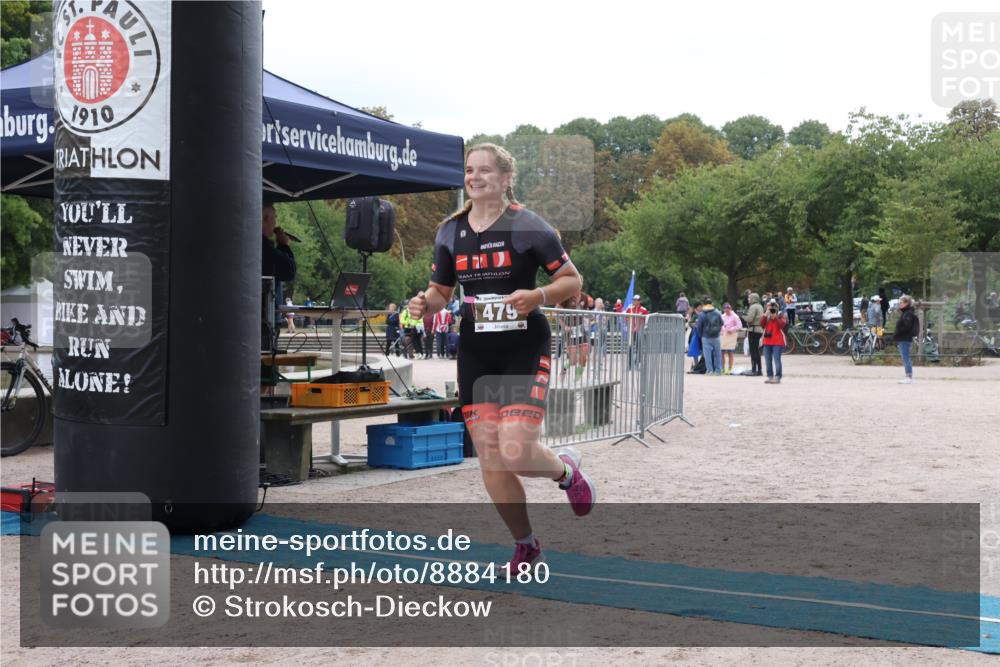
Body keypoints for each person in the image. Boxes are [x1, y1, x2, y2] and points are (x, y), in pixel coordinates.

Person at [406, 142, 592, 572]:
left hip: (523, 346)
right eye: (470, 171)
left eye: (485, 171)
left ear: (506, 178)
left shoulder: (528, 226)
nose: (474, 178)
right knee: (490, 453)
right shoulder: (449, 231)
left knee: (516, 449)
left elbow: (572, 279)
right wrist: (425, 303)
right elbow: (441, 292)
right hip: (477, 349)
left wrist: (539, 294)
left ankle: (565, 472)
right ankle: (525, 544)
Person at [262, 203, 296, 325]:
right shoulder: (264, 248)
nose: (276, 223)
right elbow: (289, 272)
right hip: (265, 318)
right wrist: (284, 246)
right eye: (274, 218)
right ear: (266, 219)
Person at [894, 295, 919, 384]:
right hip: (903, 338)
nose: (899, 304)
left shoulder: (908, 313)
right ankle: (908, 375)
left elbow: (906, 326)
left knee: (906, 357)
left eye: (901, 302)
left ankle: (909, 376)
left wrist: (899, 332)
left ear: (906, 303)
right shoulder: (906, 313)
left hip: (905, 338)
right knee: (905, 357)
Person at [761, 299, 787, 384]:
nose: (771, 309)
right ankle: (770, 376)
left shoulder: (780, 315)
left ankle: (778, 377)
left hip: (777, 341)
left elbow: (782, 325)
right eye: (770, 307)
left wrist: (775, 317)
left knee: (777, 360)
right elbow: (761, 324)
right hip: (767, 341)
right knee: (768, 360)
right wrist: (765, 315)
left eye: (773, 307)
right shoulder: (767, 315)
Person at [696, 297, 723, 375]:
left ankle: (709, 370)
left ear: (704, 304)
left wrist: (700, 335)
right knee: (717, 354)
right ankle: (718, 370)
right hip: (716, 336)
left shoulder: (702, 314)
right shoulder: (717, 312)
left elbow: (699, 326)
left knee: (707, 354)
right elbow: (722, 323)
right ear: (712, 304)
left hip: (705, 336)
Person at [625, 294, 649, 369]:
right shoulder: (630, 309)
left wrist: (642, 327)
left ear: (639, 301)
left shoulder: (643, 309)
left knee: (639, 347)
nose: (634, 301)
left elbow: (646, 320)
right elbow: (626, 318)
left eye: (636, 300)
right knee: (630, 347)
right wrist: (629, 326)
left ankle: (636, 363)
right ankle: (629, 364)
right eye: (634, 300)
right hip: (631, 331)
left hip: (639, 330)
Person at [744, 293, 764, 376]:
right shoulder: (760, 306)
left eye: (749, 298)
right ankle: (759, 370)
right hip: (759, 330)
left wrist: (743, 316)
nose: (748, 299)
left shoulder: (753, 307)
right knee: (757, 351)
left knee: (753, 351)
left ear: (753, 299)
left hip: (753, 330)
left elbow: (749, 319)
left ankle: (753, 370)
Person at [720, 303, 742, 375]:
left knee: (730, 352)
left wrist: (732, 329)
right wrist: (722, 328)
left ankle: (729, 369)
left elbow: (739, 326)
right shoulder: (722, 316)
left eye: (728, 309)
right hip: (723, 335)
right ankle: (722, 368)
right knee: (722, 352)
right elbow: (720, 324)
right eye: (725, 309)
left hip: (731, 335)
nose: (726, 310)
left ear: (730, 309)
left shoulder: (735, 316)